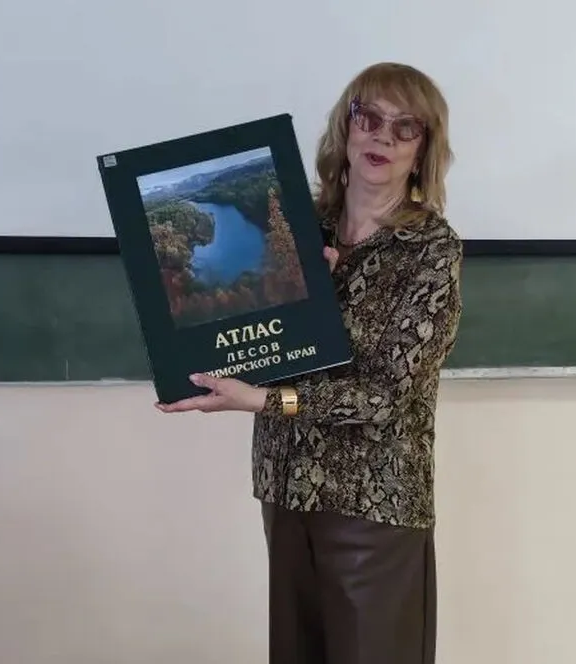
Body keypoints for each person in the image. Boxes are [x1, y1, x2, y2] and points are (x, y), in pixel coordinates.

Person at [157, 61, 463, 664]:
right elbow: (266, 347)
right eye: (369, 117)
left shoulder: (431, 251)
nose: (382, 136)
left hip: (372, 503)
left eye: (405, 127)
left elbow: (386, 396)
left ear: (423, 149)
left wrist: (264, 400)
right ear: (346, 127)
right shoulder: (300, 229)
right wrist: (277, 301)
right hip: (285, 487)